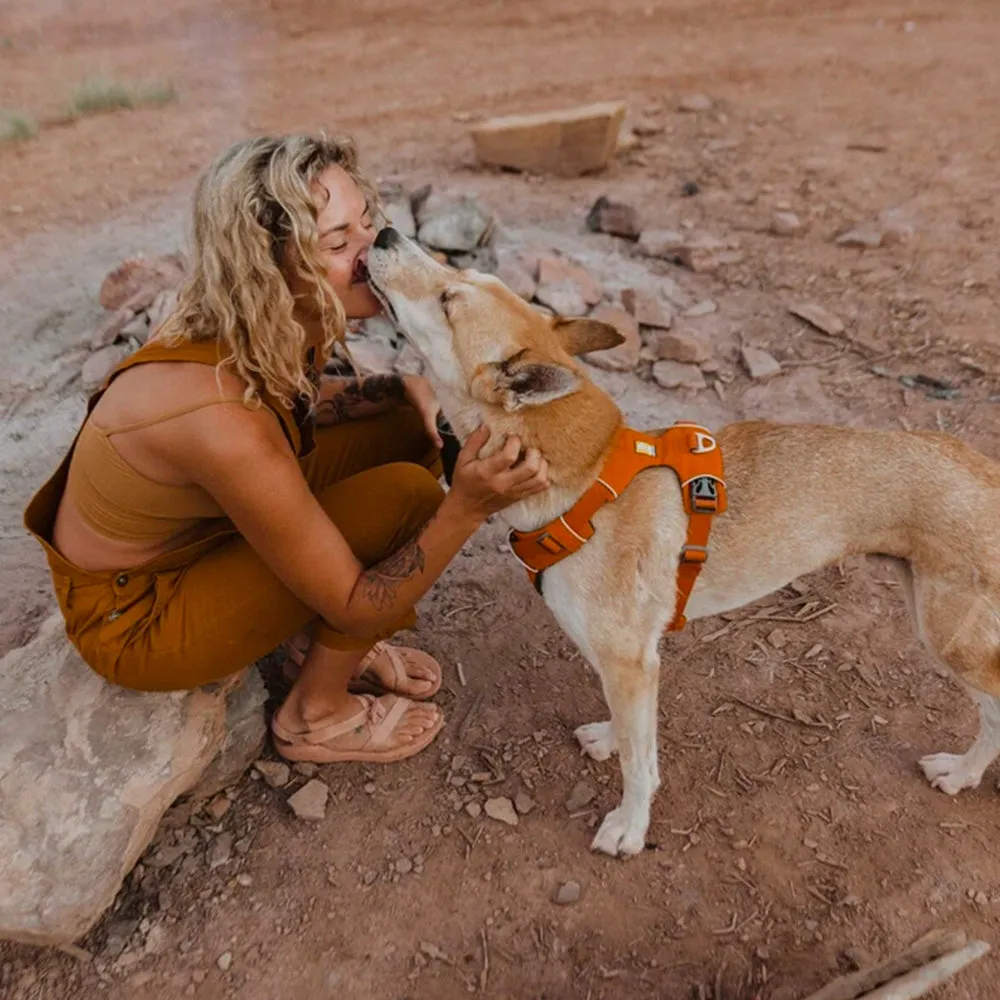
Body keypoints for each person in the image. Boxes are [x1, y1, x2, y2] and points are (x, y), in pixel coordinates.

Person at [23, 134, 549, 765]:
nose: (371, 251)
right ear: (264, 266)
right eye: (335, 243)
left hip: (202, 525)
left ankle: (310, 633)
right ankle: (314, 715)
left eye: (367, 223)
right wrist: (465, 506)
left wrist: (401, 386)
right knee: (412, 501)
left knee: (412, 422)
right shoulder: (219, 420)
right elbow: (353, 596)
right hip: (140, 614)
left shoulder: (253, 315)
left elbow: (292, 407)